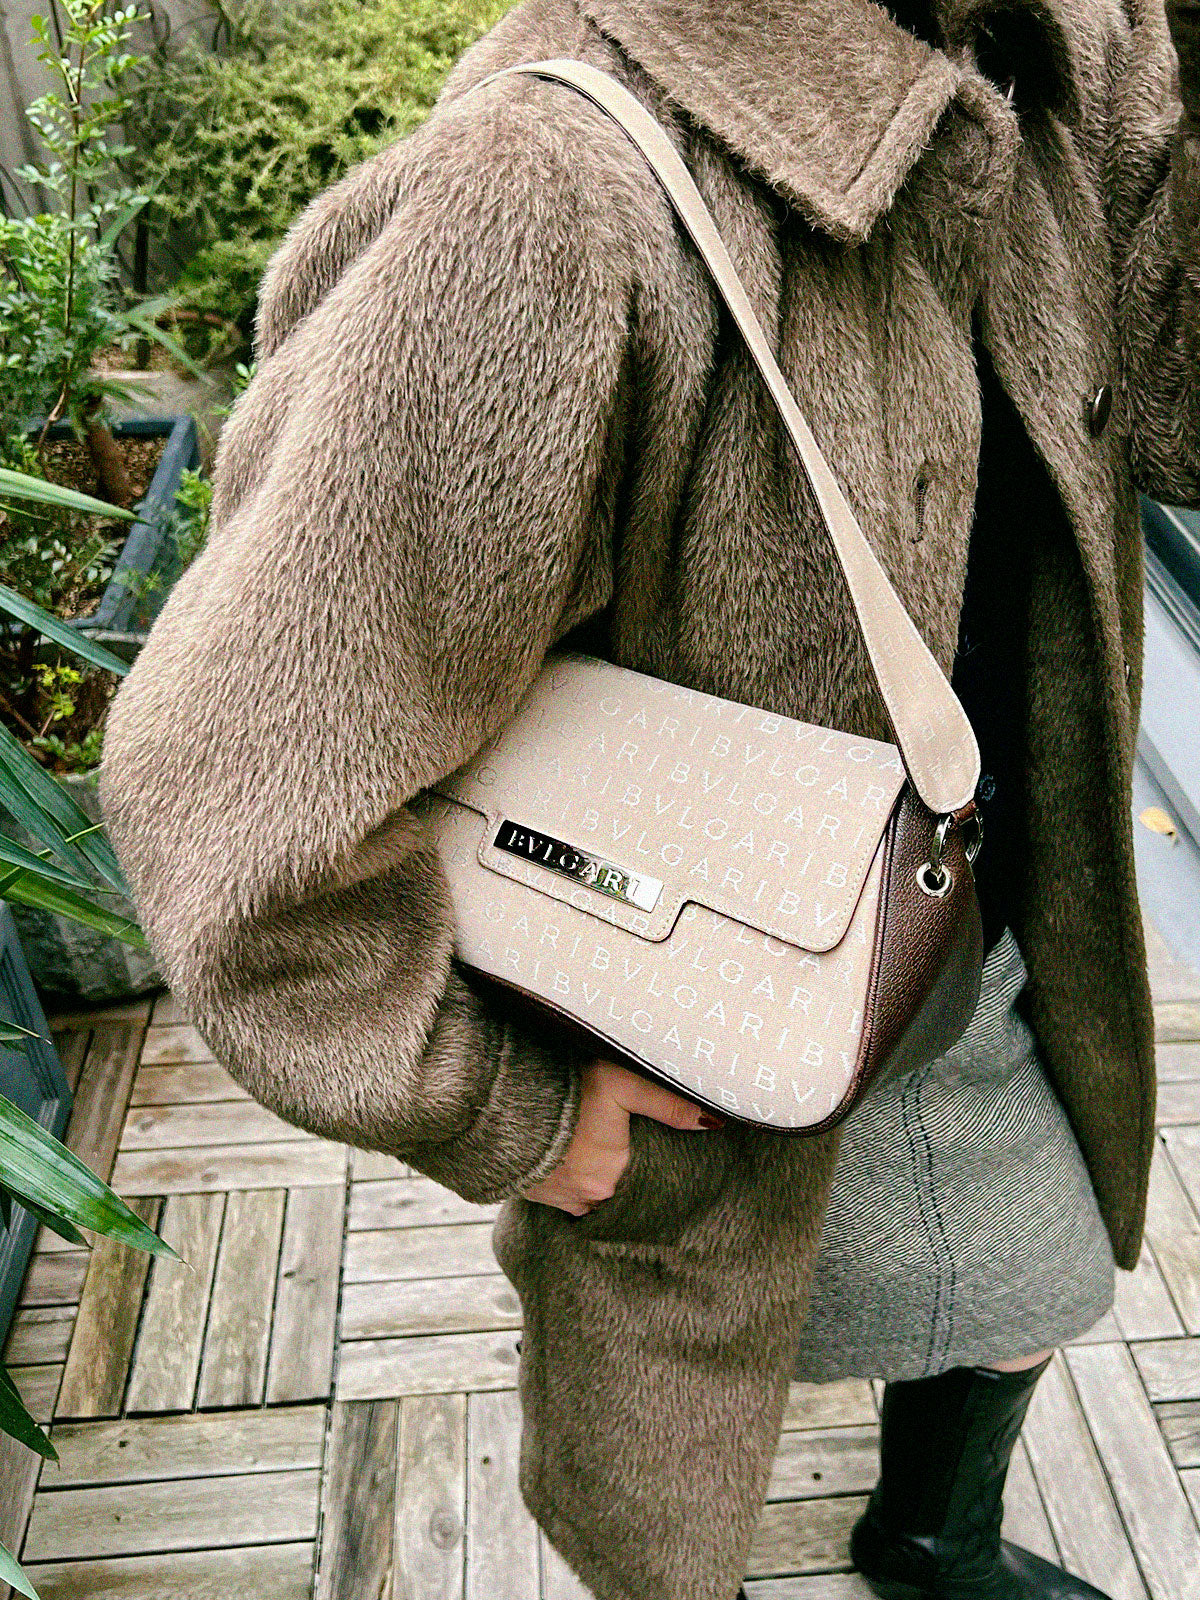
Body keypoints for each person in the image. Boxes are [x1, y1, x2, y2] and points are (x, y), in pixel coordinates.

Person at [98, 0, 1200, 1595]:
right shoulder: (544, 195)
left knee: (1037, 1282)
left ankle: (930, 1537)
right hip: (703, 1013)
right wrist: (495, 1105)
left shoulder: (1068, 38)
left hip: (993, 932)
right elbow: (230, 781)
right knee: (681, 1456)